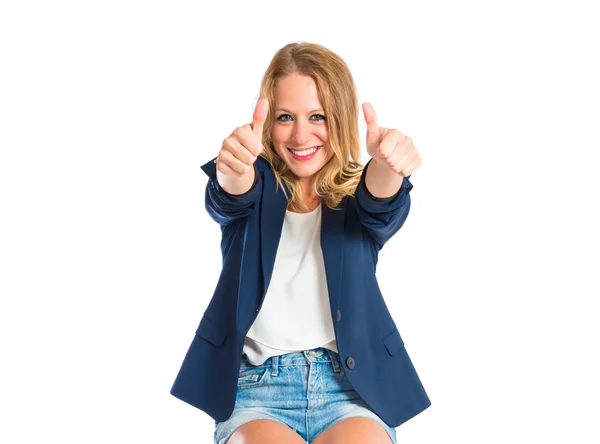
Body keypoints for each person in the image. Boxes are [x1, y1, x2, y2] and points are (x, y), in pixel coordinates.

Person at [171, 42, 431, 444]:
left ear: (340, 119)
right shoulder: (254, 186)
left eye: (317, 117)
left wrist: (386, 164)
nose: (300, 135)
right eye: (285, 117)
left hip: (350, 387)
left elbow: (381, 201)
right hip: (257, 389)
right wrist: (232, 167)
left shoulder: (356, 197)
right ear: (267, 123)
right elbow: (230, 194)